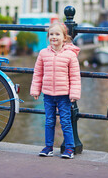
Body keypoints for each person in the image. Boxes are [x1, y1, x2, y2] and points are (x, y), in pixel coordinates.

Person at [30, 22, 81, 159]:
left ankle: (69, 148)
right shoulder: (43, 53)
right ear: (48, 37)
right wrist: (36, 90)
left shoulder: (70, 55)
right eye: (51, 34)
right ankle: (48, 147)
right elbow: (38, 73)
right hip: (48, 94)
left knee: (65, 121)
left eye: (57, 34)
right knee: (49, 121)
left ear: (64, 38)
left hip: (64, 95)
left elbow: (75, 76)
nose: (54, 37)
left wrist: (74, 93)